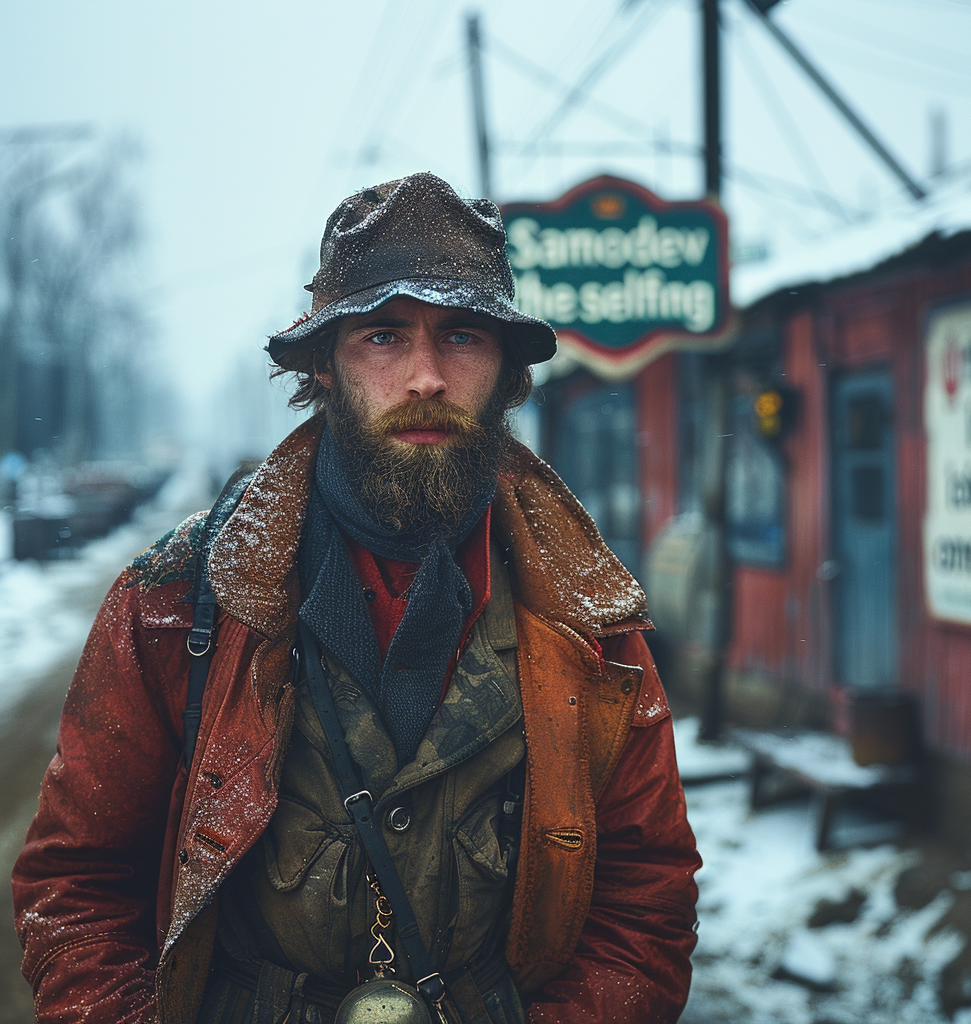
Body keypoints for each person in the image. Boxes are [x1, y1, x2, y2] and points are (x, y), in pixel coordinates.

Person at [12, 172, 700, 1024]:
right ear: (325, 366)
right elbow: (76, 888)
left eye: (461, 337)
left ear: (506, 373)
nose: (424, 378)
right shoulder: (175, 601)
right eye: (382, 336)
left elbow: (646, 896)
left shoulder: (586, 619)